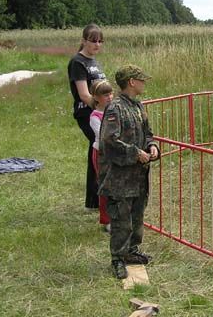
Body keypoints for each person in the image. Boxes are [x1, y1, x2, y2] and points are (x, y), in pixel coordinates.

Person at [98, 65, 159, 280]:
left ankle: (132, 250)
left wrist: (152, 146)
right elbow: (109, 141)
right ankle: (117, 258)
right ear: (132, 82)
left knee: (137, 215)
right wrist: (135, 153)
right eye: (141, 80)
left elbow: (148, 133)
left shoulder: (138, 105)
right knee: (121, 219)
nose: (144, 83)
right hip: (120, 178)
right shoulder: (115, 108)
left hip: (139, 175)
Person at [67, 23, 107, 211]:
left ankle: (95, 199)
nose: (97, 44)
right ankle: (95, 199)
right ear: (84, 41)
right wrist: (101, 109)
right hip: (87, 113)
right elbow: (84, 94)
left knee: (98, 148)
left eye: (100, 41)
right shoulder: (78, 62)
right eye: (93, 41)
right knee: (98, 147)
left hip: (100, 111)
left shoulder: (95, 62)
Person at [89, 80, 114, 233]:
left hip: (116, 153)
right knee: (105, 186)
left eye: (111, 93)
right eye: (105, 95)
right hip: (102, 154)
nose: (110, 97)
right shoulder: (95, 116)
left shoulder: (114, 111)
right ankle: (107, 220)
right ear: (96, 97)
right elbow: (104, 136)